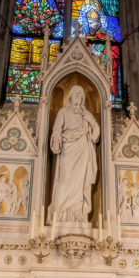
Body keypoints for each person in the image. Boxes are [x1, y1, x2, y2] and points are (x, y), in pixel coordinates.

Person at [48, 86, 100, 224]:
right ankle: (60, 214)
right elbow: (57, 130)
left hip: (83, 149)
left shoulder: (86, 114)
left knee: (81, 182)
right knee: (64, 180)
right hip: (68, 150)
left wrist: (90, 120)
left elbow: (95, 134)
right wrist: (56, 140)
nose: (78, 97)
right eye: (76, 94)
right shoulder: (63, 112)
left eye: (80, 95)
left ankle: (78, 215)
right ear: (70, 96)